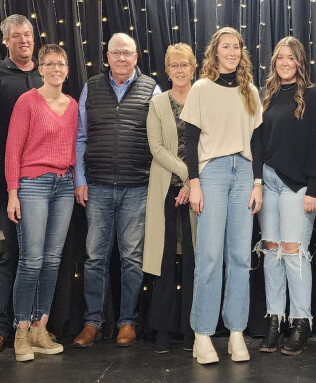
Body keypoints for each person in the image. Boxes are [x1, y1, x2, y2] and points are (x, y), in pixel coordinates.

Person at [180, 27, 263, 364]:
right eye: (225, 47)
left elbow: (257, 141)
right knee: (210, 256)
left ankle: (236, 333)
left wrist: (258, 182)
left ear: (242, 53)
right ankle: (202, 334)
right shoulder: (201, 89)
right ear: (214, 53)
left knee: (241, 258)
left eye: (236, 47)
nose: (231, 52)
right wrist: (194, 183)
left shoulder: (250, 91)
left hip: (243, 172)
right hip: (211, 171)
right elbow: (189, 138)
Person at [73, 33, 160, 348]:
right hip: (96, 186)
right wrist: (79, 180)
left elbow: (159, 139)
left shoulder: (153, 89)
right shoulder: (90, 88)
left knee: (131, 258)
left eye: (128, 53)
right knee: (94, 257)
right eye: (116, 53)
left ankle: (127, 322)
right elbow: (81, 136)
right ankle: (92, 322)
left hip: (137, 187)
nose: (122, 58)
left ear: (136, 56)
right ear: (106, 56)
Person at [257, 36, 316, 355]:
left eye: (291, 58)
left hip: (298, 185)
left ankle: (301, 322)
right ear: (274, 62)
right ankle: (275, 319)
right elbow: (257, 141)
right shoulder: (267, 96)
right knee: (271, 251)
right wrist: (257, 181)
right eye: (280, 58)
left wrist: (314, 187)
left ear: (301, 62)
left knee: (293, 251)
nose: (285, 63)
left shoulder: (314, 96)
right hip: (269, 181)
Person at [6, 44, 77, 361]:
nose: (56, 69)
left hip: (64, 185)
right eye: (50, 64)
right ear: (41, 69)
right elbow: (12, 151)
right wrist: (12, 192)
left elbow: (75, 147)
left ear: (67, 69)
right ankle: (21, 332)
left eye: (61, 64)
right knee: (31, 260)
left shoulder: (72, 105)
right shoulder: (27, 102)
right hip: (32, 185)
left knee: (52, 261)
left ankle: (40, 327)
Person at [142, 43, 197, 354]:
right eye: (174, 65)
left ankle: (192, 330)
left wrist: (192, 181)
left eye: (184, 65)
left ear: (193, 68)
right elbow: (157, 147)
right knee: (163, 261)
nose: (179, 70)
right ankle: (162, 330)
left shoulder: (203, 99)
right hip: (165, 188)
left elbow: (209, 143)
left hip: (197, 191)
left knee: (192, 260)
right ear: (167, 70)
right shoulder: (157, 103)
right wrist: (185, 174)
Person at [0, 14, 43, 353]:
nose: (24, 40)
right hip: (8, 185)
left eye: (28, 34)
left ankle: (36, 325)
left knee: (42, 256)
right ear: (6, 41)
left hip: (44, 183)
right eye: (17, 36)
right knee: (13, 255)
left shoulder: (48, 73)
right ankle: (6, 327)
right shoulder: (1, 77)